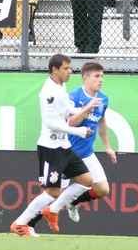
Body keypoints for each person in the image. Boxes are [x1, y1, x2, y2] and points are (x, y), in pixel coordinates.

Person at [10, 54, 94, 237]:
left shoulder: (61, 86)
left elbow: (66, 109)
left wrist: (83, 109)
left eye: (71, 68)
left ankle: (53, 210)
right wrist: (78, 131)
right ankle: (20, 224)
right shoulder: (49, 91)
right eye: (66, 68)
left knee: (87, 181)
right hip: (51, 148)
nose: (70, 71)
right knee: (53, 192)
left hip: (64, 146)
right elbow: (51, 123)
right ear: (55, 70)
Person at [27, 61, 116, 231]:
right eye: (97, 76)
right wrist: (84, 111)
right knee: (54, 193)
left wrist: (107, 147)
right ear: (86, 78)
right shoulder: (74, 96)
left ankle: (72, 203)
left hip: (87, 154)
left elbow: (102, 121)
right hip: (67, 152)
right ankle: (29, 224)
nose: (101, 80)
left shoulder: (103, 99)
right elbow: (69, 123)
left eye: (102, 77)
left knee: (103, 189)